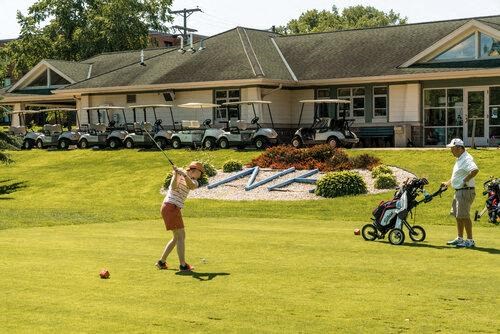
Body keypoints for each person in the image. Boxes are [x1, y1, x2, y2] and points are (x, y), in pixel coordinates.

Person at [155, 161, 204, 271]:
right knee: (181, 236)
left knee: (177, 237)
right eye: (200, 173)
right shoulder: (179, 174)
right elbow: (173, 187)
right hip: (170, 207)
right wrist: (176, 174)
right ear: (195, 170)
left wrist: (183, 174)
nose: (200, 176)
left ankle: (161, 262)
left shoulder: (194, 181)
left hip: (172, 208)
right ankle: (183, 265)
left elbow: (191, 186)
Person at [441, 138, 479, 248]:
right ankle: (460, 238)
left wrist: (464, 181)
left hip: (465, 191)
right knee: (458, 216)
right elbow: (457, 176)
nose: (451, 151)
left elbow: (475, 170)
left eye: (452, 148)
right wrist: (447, 183)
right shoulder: (459, 159)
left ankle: (470, 240)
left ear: (459, 148)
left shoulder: (467, 158)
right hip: (459, 191)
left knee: (464, 216)